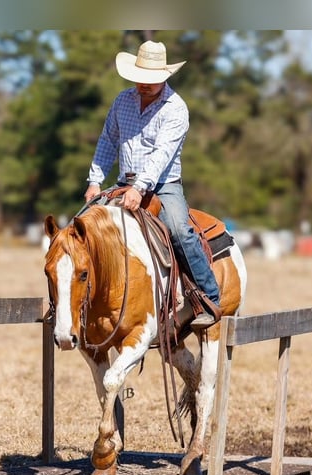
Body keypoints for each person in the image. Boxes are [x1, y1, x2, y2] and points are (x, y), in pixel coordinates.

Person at [84, 40, 221, 329]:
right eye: (141, 78)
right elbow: (108, 140)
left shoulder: (176, 109)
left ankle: (209, 297)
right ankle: (80, 300)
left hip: (162, 185)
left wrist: (140, 188)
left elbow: (161, 155)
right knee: (83, 226)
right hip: (124, 183)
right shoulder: (123, 100)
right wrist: (95, 181)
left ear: (164, 77)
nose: (144, 85)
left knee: (179, 231)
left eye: (151, 80)